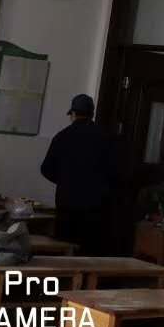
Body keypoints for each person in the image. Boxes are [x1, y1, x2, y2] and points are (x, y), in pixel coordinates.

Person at [40, 93, 116, 253]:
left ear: (73, 114)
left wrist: (65, 181)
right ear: (92, 114)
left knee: (64, 248)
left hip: (67, 204)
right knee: (90, 250)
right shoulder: (106, 138)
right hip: (96, 205)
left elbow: (46, 169)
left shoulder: (61, 137)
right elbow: (114, 171)